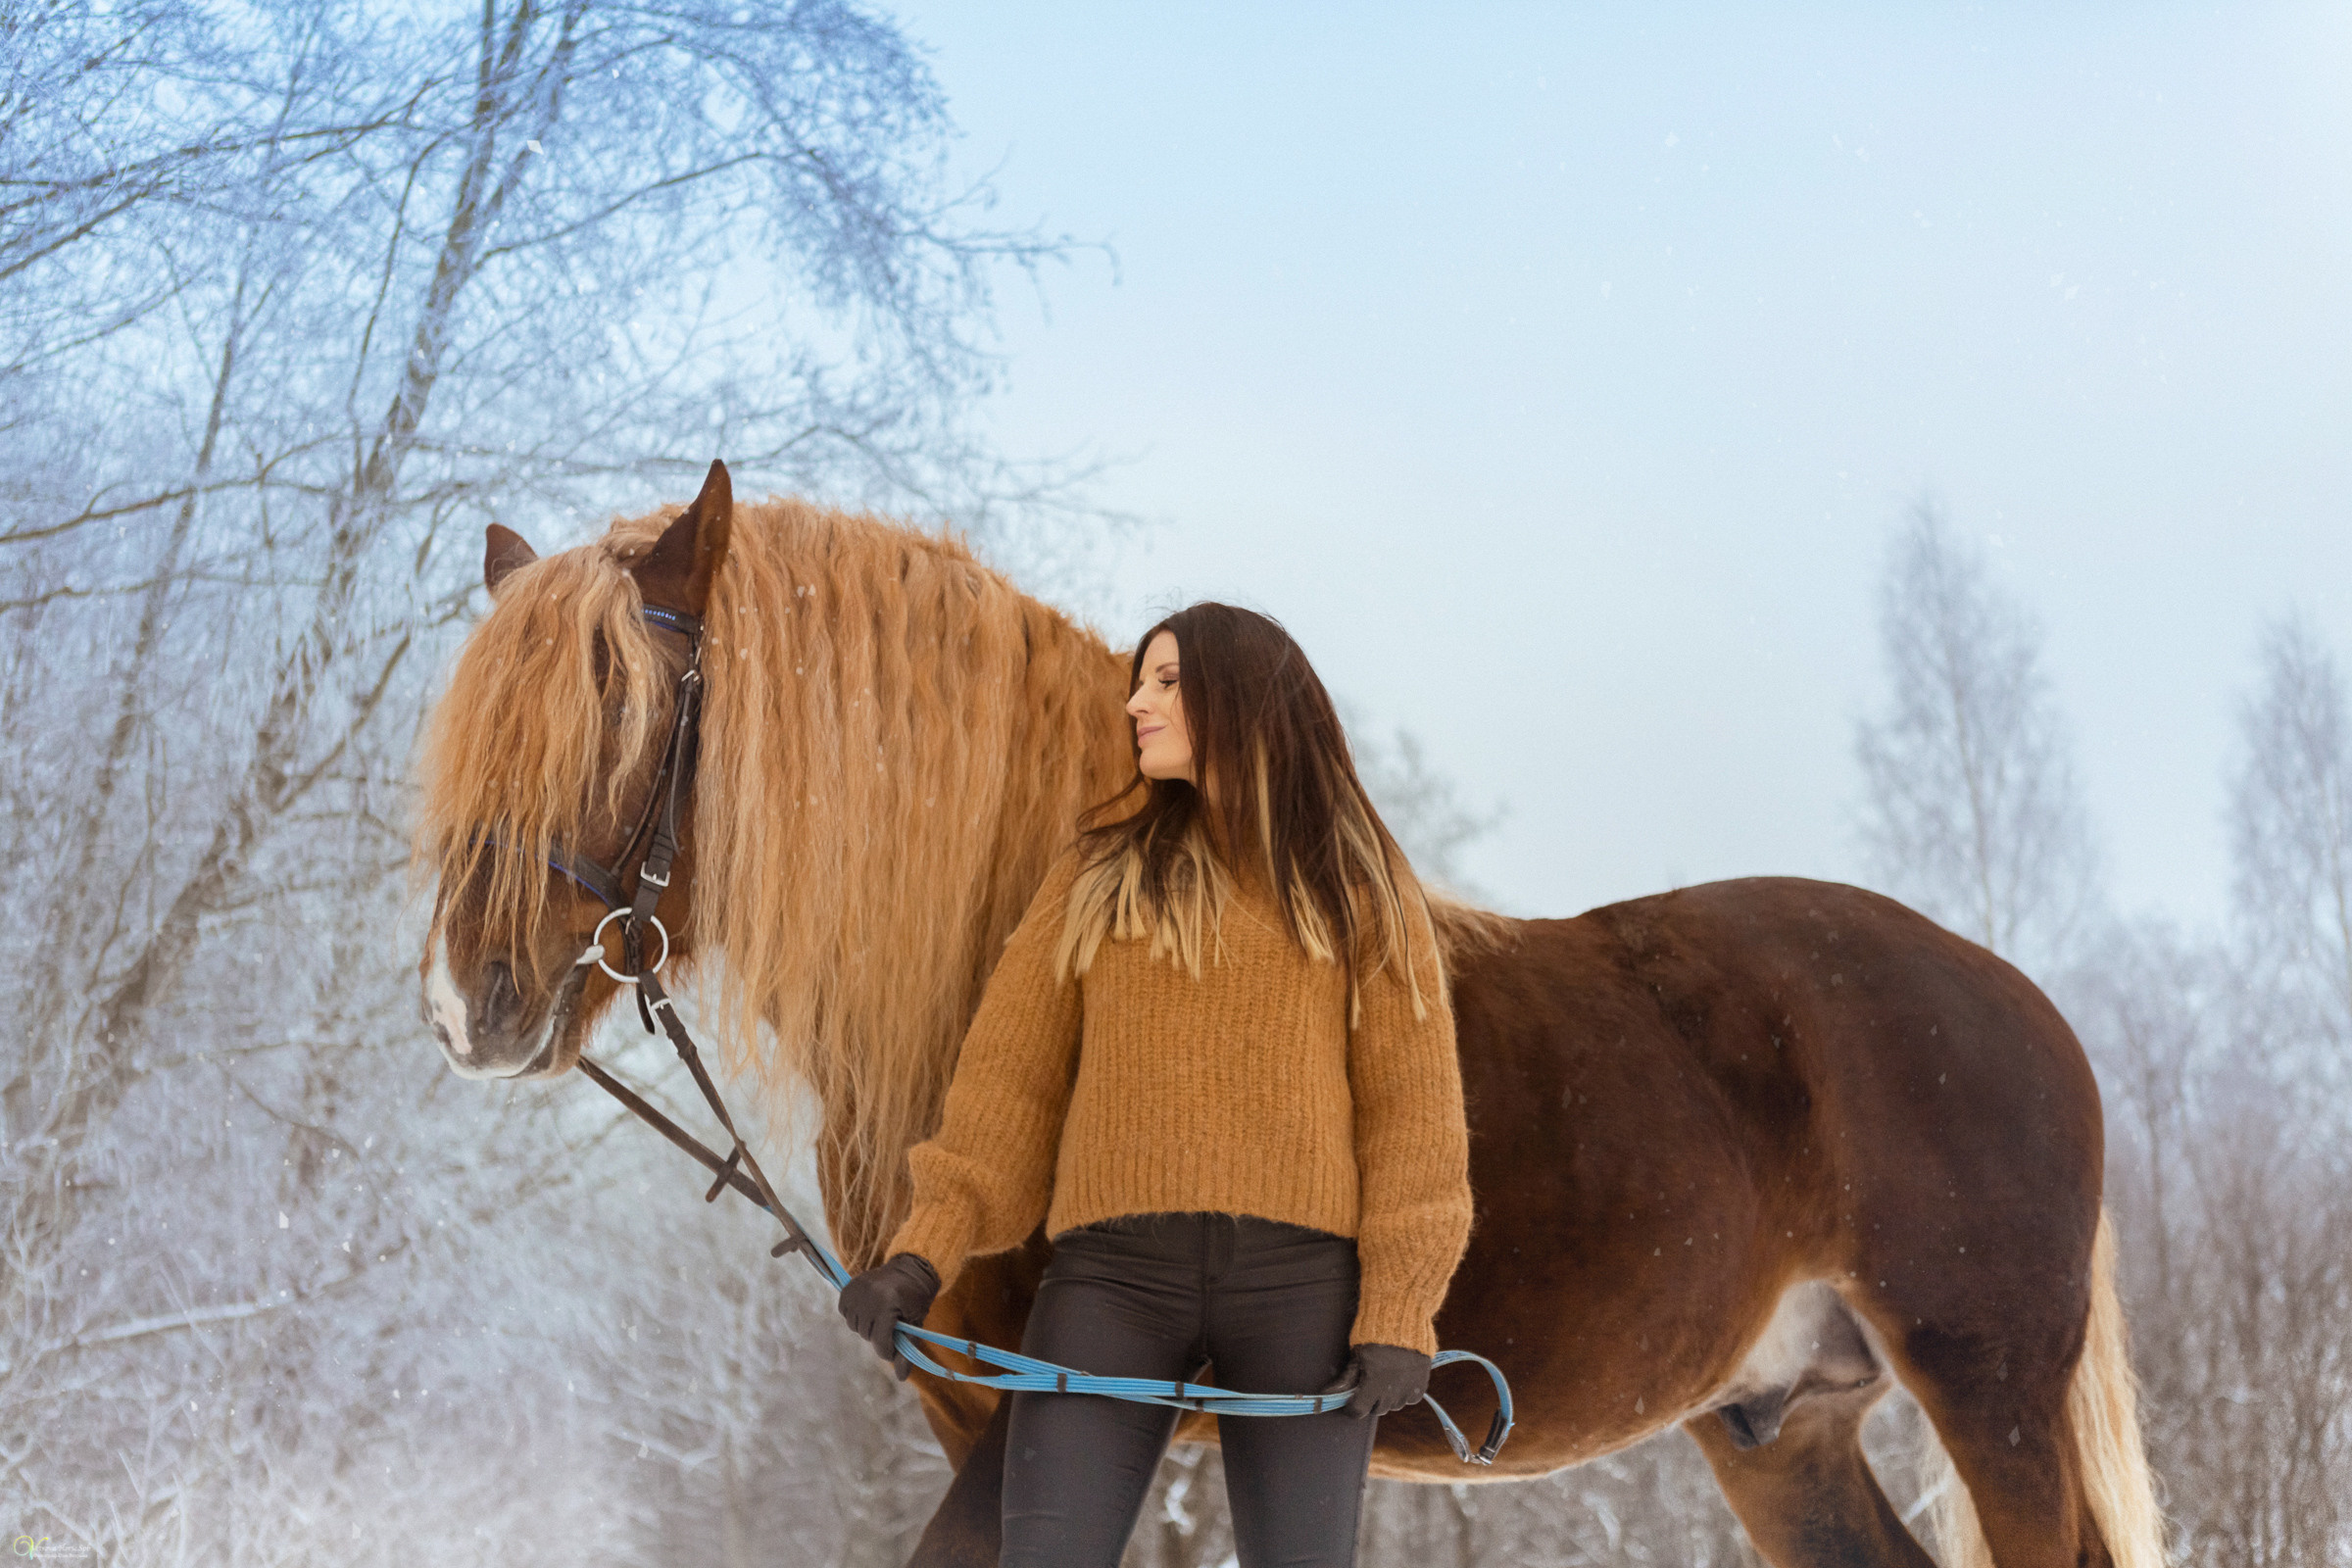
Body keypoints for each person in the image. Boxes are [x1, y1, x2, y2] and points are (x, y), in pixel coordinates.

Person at [838, 602, 1473, 1568]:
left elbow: (1412, 1119)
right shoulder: (1095, 876)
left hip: (1303, 1291)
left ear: (1243, 696)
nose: (1137, 702)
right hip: (1112, 1282)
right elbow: (1008, 1087)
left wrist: (1398, 1311)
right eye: (1142, 681)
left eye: (1167, 682)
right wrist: (920, 1258)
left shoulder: (1358, 888)